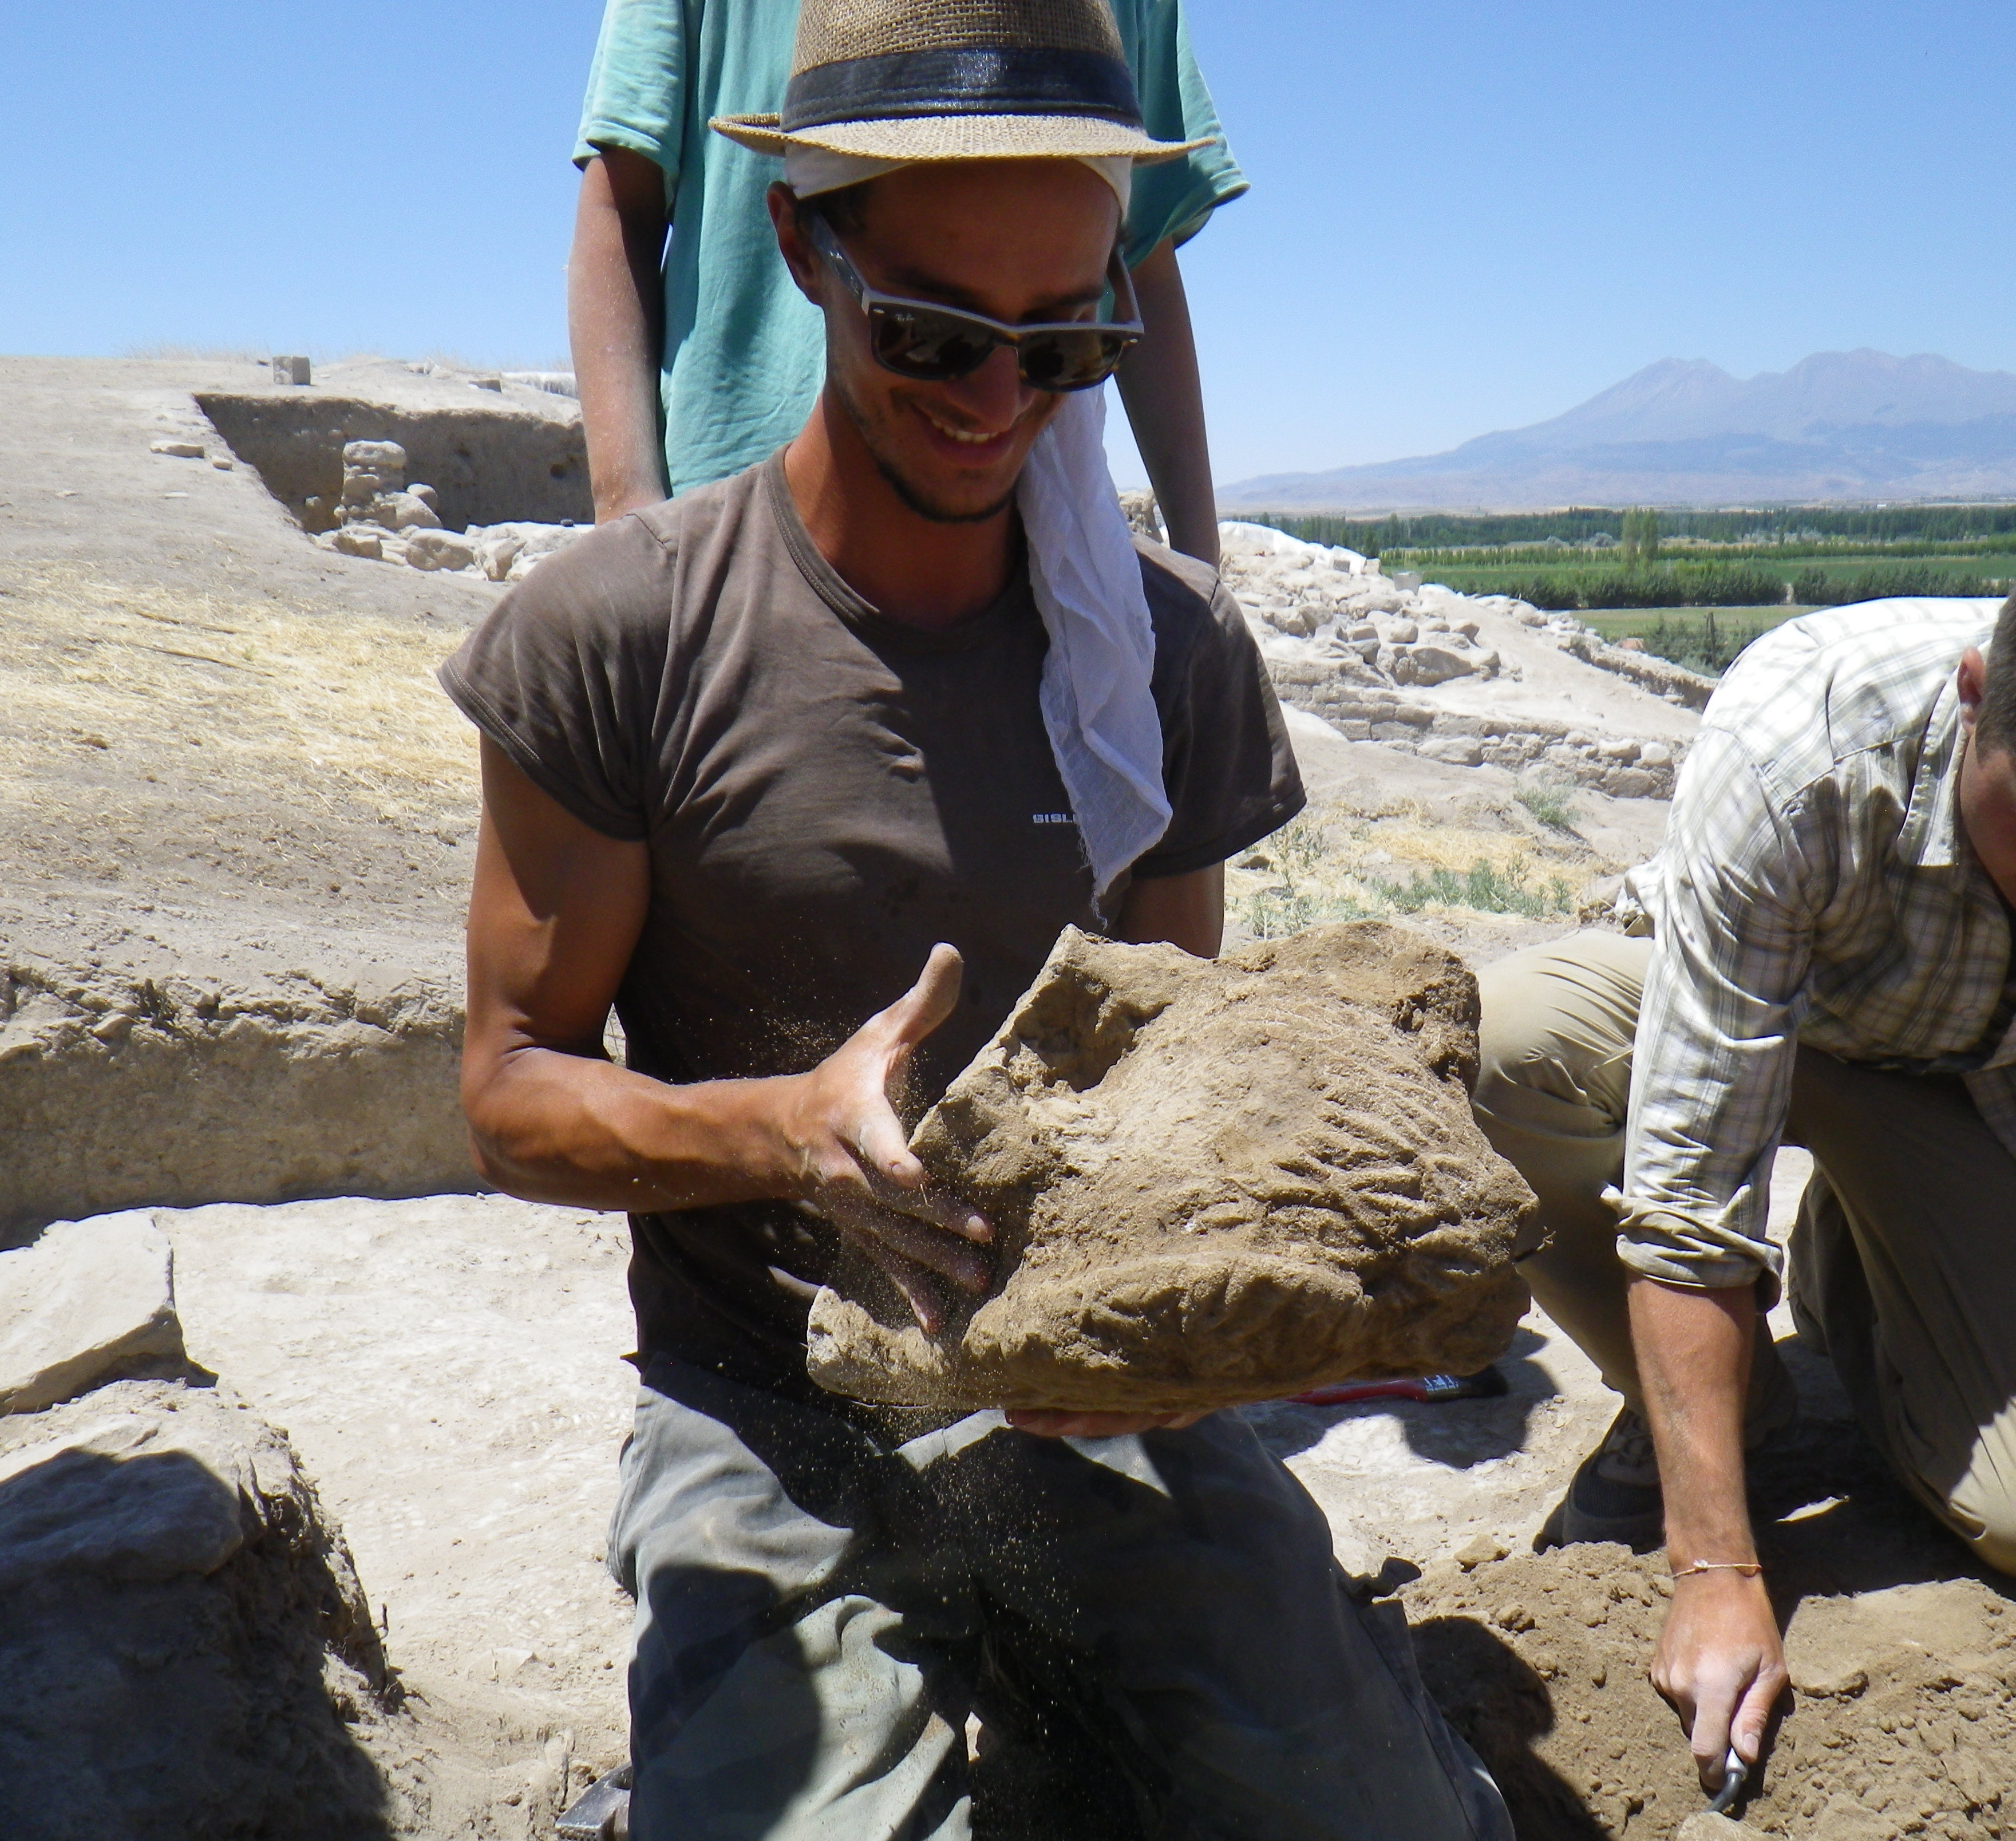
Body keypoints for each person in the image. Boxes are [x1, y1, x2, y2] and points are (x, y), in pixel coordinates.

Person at [440, 1, 1513, 1834]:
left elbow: (1196, 1075)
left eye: (1067, 341)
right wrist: (771, 1133)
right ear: (804, 249)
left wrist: (1287, 1289)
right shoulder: (623, 635)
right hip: (767, 1404)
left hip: (1096, 1402)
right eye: (934, 333)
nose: (1000, 401)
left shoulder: (1160, 659)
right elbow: (514, 1093)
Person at [1470, 495, 2016, 1792]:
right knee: (1500, 1043)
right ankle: (1731, 1417)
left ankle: (1857, 1266)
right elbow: (1689, 1182)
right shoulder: (1800, 742)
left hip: (1994, 1087)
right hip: (1763, 1016)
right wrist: (1713, 1566)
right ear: (1979, 693)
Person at [567, 0, 1239, 563]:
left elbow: (1139, 249)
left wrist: (1201, 574)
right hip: (726, 521)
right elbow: (622, 204)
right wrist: (629, 517)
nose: (994, 400)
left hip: (1030, 552)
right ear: (797, 244)